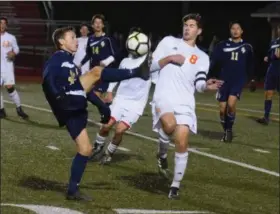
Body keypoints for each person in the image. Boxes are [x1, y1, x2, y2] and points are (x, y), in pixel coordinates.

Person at [42, 26, 149, 201]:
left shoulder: (71, 64)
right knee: (97, 71)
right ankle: (136, 72)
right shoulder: (57, 59)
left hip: (74, 108)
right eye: (72, 37)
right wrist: (58, 96)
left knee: (85, 149)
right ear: (61, 42)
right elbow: (47, 78)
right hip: (67, 104)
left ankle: (72, 190)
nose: (76, 40)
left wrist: (102, 107)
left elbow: (84, 89)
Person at [150, 13, 223, 199]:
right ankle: (162, 153)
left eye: (191, 25)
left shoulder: (202, 57)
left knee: (182, 140)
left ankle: (175, 185)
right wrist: (170, 58)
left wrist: (206, 86)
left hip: (185, 101)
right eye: (185, 25)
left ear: (199, 31)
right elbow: (150, 66)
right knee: (169, 126)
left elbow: (198, 84)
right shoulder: (168, 42)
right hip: (164, 95)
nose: (187, 28)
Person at [92, 30, 152, 164]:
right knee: (106, 125)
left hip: (136, 104)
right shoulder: (125, 61)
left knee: (119, 130)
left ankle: (108, 154)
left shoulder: (150, 63)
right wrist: (109, 91)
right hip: (120, 99)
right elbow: (116, 77)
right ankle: (97, 147)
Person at [209, 21, 255, 142]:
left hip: (238, 80)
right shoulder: (222, 45)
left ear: (242, 31)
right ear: (230, 31)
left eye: (238, 28)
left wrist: (252, 78)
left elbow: (250, 64)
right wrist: (210, 76)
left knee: (231, 104)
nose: (235, 30)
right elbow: (214, 62)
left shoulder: (247, 47)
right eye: (233, 28)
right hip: (223, 80)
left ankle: (228, 131)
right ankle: (226, 130)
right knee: (222, 109)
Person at [78, 14, 118, 100]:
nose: (98, 24)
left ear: (103, 25)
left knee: (97, 95)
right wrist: (80, 64)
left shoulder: (108, 39)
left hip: (105, 72)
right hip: (94, 71)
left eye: (100, 22)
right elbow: (89, 54)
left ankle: (108, 109)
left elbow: (116, 54)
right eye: (96, 22)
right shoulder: (90, 39)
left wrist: (107, 61)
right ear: (92, 25)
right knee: (84, 92)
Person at [0, 17, 28, 119]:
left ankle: (19, 109)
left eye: (4, 23)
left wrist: (14, 53)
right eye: (0, 23)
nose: (2, 25)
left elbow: (16, 48)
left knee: (10, 88)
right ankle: (1, 110)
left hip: (7, 67)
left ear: (6, 25)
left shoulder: (11, 37)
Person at [257, 25, 280, 125]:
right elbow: (271, 54)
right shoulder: (274, 42)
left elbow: (277, 55)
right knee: (268, 93)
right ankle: (266, 117)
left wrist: (272, 57)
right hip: (271, 71)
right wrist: (267, 56)